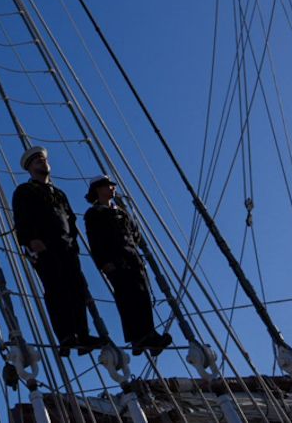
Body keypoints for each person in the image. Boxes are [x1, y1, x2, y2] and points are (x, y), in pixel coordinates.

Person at [11, 146, 107, 356]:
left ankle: (82, 335)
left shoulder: (59, 194)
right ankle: (65, 336)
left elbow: (70, 219)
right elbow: (21, 218)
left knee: (78, 289)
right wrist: (31, 240)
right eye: (36, 161)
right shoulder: (25, 191)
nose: (41, 162)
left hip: (66, 248)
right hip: (44, 247)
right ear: (29, 168)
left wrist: (74, 243)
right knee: (56, 290)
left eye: (43, 159)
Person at [84, 176, 172, 356]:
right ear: (98, 190)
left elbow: (135, 233)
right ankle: (137, 337)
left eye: (112, 185)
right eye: (108, 186)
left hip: (132, 257)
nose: (112, 188)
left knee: (142, 295)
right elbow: (95, 241)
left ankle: (148, 334)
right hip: (115, 261)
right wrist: (104, 263)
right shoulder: (94, 214)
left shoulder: (121, 212)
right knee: (127, 298)